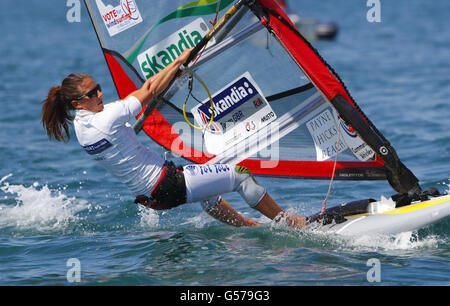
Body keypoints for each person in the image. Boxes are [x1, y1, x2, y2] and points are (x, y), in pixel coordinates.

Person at [41, 48, 305, 228]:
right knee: (240, 174)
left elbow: (142, 93)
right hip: (167, 184)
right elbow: (149, 89)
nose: (99, 94)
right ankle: (291, 225)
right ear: (77, 102)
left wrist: (172, 73)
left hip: (150, 196)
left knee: (209, 189)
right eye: (92, 93)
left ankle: (249, 228)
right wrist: (180, 59)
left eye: (98, 88)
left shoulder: (82, 126)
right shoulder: (106, 119)